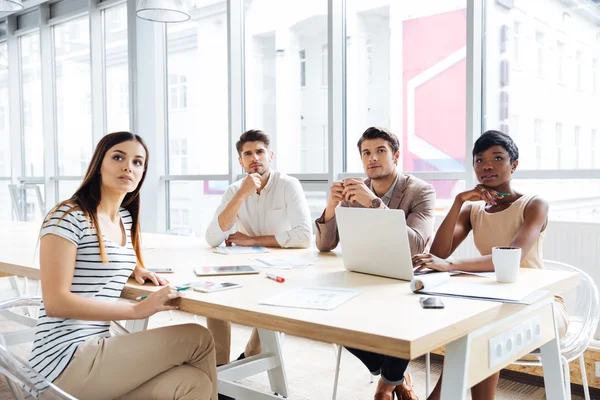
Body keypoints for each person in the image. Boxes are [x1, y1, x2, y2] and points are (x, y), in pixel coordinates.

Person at [33, 132, 217, 400]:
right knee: (198, 338)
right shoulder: (67, 216)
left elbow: (104, 253)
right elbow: (55, 302)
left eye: (138, 162)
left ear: (142, 173)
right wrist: (137, 309)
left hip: (96, 351)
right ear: (99, 165)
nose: (128, 166)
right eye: (118, 157)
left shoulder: (123, 219)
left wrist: (134, 267)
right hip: (62, 362)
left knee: (193, 382)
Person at [412, 130, 569, 400]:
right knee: (475, 328)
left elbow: (511, 258)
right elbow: (439, 252)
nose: (486, 166)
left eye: (497, 158)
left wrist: (449, 264)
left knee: (480, 333)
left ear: (514, 164)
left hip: (541, 304)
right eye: (479, 160)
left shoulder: (533, 205)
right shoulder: (472, 210)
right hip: (494, 301)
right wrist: (459, 201)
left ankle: (437, 398)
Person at [315, 126, 435, 400]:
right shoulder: (355, 191)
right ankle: (394, 376)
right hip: (363, 275)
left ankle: (385, 386)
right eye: (366, 152)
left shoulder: (420, 191)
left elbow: (415, 245)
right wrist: (331, 208)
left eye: (381, 151)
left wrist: (374, 204)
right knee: (327, 314)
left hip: (405, 279)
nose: (373, 158)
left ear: (396, 155)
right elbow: (324, 245)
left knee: (398, 316)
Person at [205, 129, 312, 367]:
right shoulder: (234, 190)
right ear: (240, 161)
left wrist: (253, 240)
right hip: (247, 266)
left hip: (284, 269)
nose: (255, 158)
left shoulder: (288, 185)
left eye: (260, 152)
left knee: (274, 305)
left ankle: (247, 360)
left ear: (270, 155)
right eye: (248, 154)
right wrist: (241, 195)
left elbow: (304, 236)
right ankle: (219, 366)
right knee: (213, 297)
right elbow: (213, 237)